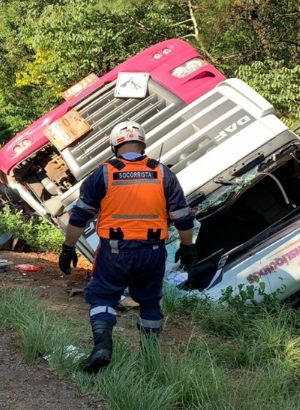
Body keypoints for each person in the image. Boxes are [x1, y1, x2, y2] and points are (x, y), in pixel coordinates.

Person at [58, 121, 198, 374]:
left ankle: (102, 347)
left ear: (114, 146)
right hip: (153, 252)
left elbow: (79, 217)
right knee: (150, 303)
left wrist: (68, 248)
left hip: (114, 252)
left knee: (102, 296)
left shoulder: (102, 174)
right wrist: (187, 247)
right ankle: (149, 358)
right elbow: (183, 217)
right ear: (142, 143)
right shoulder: (163, 173)